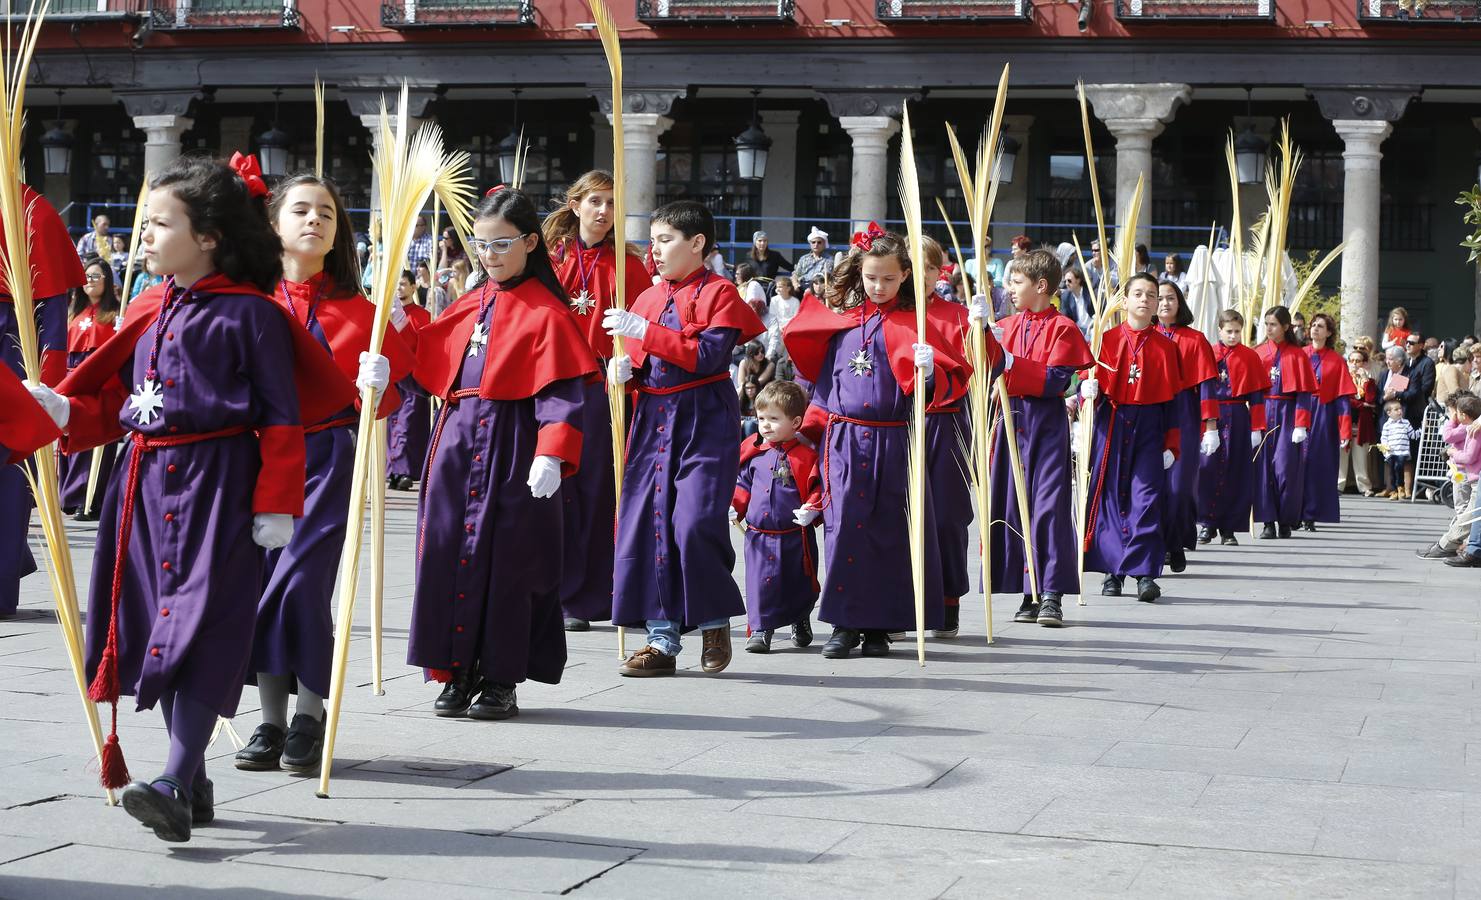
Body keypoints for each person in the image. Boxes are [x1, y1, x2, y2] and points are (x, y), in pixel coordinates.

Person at [34, 153, 354, 842]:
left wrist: (276, 500)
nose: (143, 236)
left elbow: (280, 414)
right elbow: (120, 403)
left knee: (205, 627)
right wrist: (61, 414)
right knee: (161, 626)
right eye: (145, 223)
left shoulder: (254, 317)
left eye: (159, 223)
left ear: (207, 235)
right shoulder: (150, 307)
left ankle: (177, 776)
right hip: (143, 488)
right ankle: (196, 782)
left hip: (220, 487)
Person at [236, 172, 415, 775]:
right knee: (260, 585)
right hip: (255, 461)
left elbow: (385, 405)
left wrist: (379, 380)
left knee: (302, 585)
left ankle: (309, 713)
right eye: (302, 210)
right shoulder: (248, 302)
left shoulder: (362, 311)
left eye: (328, 214)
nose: (315, 220)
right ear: (274, 224)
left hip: (324, 459)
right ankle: (270, 720)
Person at [405, 186, 596, 720]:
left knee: (510, 561)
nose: (488, 255)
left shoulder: (548, 312)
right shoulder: (471, 301)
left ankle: (500, 676)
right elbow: (430, 360)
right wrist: (393, 348)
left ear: (531, 242)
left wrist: (553, 452)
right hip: (458, 440)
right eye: (480, 244)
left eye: (501, 244)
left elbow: (562, 391)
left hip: (514, 443)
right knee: (445, 552)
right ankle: (453, 669)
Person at [782, 224, 972, 656]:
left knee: (891, 530)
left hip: (896, 441)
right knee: (845, 528)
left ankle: (880, 626)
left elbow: (944, 383)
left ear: (905, 274)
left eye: (888, 278)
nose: (879, 286)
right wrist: (811, 436)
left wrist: (929, 374)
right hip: (845, 440)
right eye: (871, 277)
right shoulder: (843, 323)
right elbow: (825, 387)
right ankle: (844, 623)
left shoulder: (913, 324)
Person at [604, 200, 765, 676]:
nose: (654, 250)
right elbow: (640, 362)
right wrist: (622, 374)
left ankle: (714, 622)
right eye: (652, 240)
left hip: (702, 416)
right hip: (654, 415)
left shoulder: (720, 293)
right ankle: (661, 639)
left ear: (697, 244)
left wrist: (644, 333)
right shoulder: (648, 298)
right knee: (648, 522)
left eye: (665, 239)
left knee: (693, 521)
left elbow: (709, 357)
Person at [544, 169, 653, 632]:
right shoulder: (548, 257)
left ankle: (592, 596)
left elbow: (649, 319)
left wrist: (629, 359)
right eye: (596, 202)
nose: (604, 211)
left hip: (604, 389)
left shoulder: (629, 265)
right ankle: (554, 590)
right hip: (554, 385)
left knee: (597, 491)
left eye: (612, 203)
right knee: (555, 492)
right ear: (576, 205)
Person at [982, 247, 1091, 626]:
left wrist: (1012, 365)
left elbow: (1058, 379)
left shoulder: (1064, 328)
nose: (1009, 288)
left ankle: (1051, 592)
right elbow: (983, 364)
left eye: (1016, 281)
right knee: (1014, 507)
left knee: (1048, 507)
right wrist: (979, 329)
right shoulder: (1007, 325)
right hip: (1011, 421)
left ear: (1040, 286)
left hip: (1044, 423)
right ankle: (1027, 589)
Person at [1, 184, 83, 618]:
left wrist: (46, 380)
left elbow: (50, 309)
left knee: (9, 467)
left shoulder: (34, 211)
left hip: (12, 344)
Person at [1078, 273, 1183, 603]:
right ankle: (1113, 570)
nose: (1145, 299)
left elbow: (1175, 403)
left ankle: (1144, 573)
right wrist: (1086, 391)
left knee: (1146, 498)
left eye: (1152, 295)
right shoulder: (1106, 340)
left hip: (1150, 426)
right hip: (1113, 420)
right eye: (1138, 293)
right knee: (1111, 498)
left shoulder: (1167, 347)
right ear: (1124, 301)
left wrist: (1172, 444)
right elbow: (1084, 383)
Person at [730, 380, 821, 653]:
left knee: (798, 582)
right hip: (758, 535)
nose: (765, 425)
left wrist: (812, 508)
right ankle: (760, 629)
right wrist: (736, 506)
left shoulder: (806, 456)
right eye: (761, 418)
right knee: (759, 585)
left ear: (795, 422)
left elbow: (817, 487)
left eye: (773, 419)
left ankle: (800, 618)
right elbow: (743, 484)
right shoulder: (755, 452)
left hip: (794, 535)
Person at [1153, 281, 1217, 572]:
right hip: (1150, 411)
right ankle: (1154, 545)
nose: (1164, 303)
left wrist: (1211, 426)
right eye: (1160, 298)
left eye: (1170, 298)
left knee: (1179, 487)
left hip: (1184, 413)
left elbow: (1206, 386)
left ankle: (1176, 542)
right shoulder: (1146, 336)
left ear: (1180, 303)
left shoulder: (1196, 339)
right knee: (1152, 486)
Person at [1197, 310, 1270, 545]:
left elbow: (1257, 396)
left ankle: (1229, 527)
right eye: (1229, 331)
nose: (1233, 336)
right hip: (1212, 414)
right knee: (1207, 469)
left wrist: (1257, 427)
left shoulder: (1250, 357)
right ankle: (1207, 523)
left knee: (1235, 472)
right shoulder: (1209, 353)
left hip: (1239, 415)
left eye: (1237, 332)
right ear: (1220, 330)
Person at [57, 256, 120, 520]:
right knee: (69, 436)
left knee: (94, 442)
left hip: (97, 381)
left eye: (95, 276)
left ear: (107, 280)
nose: (89, 281)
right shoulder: (73, 312)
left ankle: (90, 499)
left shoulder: (114, 315)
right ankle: (71, 496)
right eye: (87, 277)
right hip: (72, 379)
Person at [1254, 305, 1316, 538]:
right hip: (1263, 411)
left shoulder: (1297, 355)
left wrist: (1301, 424)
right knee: (1262, 469)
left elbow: (1304, 393)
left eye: (1273, 324)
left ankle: (1286, 518)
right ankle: (1268, 520)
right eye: (1266, 324)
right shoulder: (1258, 353)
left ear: (1286, 327)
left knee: (1285, 468)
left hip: (1287, 414)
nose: (1269, 329)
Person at [1299, 313, 1356, 531]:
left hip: (1323, 415)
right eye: (1313, 325)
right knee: (1296, 465)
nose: (1315, 329)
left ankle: (1311, 513)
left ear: (1329, 332)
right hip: (1300, 411)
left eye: (1321, 326)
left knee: (1317, 466)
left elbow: (1342, 400)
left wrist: (1344, 431)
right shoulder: (1300, 354)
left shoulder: (1336, 360)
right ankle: (1293, 511)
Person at [1416, 392, 1481, 560]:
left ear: (1463, 415)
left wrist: (1452, 451)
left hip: (1472, 477)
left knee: (1468, 514)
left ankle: (1447, 544)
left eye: (1456, 413)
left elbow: (1467, 455)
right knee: (1468, 512)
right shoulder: (1472, 428)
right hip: (1470, 476)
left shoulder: (1473, 431)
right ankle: (1456, 544)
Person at [385, 271, 432, 492]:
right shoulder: (386, 313)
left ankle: (405, 470)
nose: (400, 289)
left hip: (412, 378)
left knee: (407, 425)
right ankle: (394, 470)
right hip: (391, 376)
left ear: (414, 287)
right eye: (397, 285)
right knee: (391, 425)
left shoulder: (423, 316)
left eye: (404, 284)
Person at [1391, 331, 1436, 498]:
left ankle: (1416, 489)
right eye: (1407, 341)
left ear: (1421, 346)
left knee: (1415, 451)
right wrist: (1397, 394)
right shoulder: (1405, 363)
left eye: (1412, 342)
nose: (1408, 344)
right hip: (1401, 412)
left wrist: (1401, 393)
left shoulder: (1427, 363)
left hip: (1416, 414)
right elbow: (1396, 388)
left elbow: (1424, 389)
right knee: (1399, 450)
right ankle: (1398, 487)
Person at [1339, 346, 1380, 497]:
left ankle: (1364, 486)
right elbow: (1344, 399)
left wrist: (1366, 381)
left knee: (1361, 456)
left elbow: (1371, 399)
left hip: (1362, 423)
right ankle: (1339, 484)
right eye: (1352, 360)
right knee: (1342, 453)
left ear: (1364, 363)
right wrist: (1362, 405)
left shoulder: (1369, 381)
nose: (1355, 364)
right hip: (1345, 420)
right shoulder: (1343, 378)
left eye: (1358, 361)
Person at [1378, 399, 1418, 498]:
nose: (1399, 411)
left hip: (1402, 452)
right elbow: (1384, 438)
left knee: (1398, 467)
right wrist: (1385, 450)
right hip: (1391, 452)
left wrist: (1422, 430)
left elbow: (1412, 435)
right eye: (1396, 409)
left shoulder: (1405, 422)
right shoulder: (1387, 425)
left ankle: (1401, 487)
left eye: (1400, 409)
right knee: (1392, 471)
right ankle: (1394, 490)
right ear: (1389, 413)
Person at [1058, 265, 1095, 338]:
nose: (1066, 283)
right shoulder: (1065, 296)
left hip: (1092, 328)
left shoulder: (1091, 293)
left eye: (1069, 280)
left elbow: (1098, 313)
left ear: (1078, 280)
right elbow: (1065, 317)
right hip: (1077, 329)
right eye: (1065, 281)